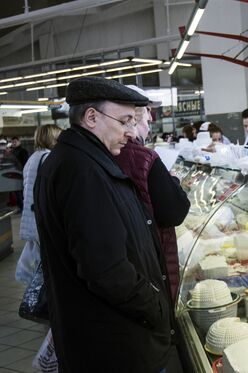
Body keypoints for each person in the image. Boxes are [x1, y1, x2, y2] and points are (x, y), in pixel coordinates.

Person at [33, 76, 178, 373]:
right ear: (91, 117)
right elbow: (107, 271)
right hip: (115, 347)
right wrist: (157, 308)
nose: (130, 132)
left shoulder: (80, 160)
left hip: (103, 339)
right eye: (124, 121)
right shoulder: (82, 171)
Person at [116, 84, 190, 302]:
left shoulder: (102, 153)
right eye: (148, 110)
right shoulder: (143, 157)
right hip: (149, 260)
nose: (150, 118)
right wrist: (173, 181)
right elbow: (175, 213)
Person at [16, 125, 63, 285]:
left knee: (40, 264)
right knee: (47, 268)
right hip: (41, 219)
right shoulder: (48, 158)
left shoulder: (34, 157)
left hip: (32, 217)